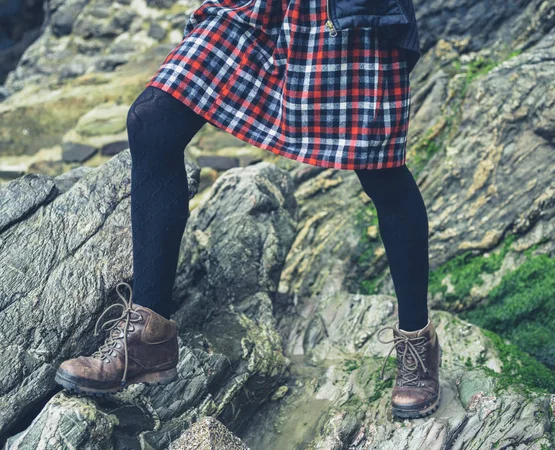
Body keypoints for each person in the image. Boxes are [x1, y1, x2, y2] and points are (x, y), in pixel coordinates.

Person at [54, 0, 441, 419]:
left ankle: (417, 344)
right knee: (153, 120)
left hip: (349, 12)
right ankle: (149, 337)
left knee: (380, 168)